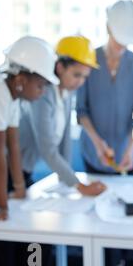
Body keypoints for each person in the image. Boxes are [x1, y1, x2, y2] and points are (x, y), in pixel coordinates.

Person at [0, 36, 58, 266]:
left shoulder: (12, 97)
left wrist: (20, 187)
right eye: (40, 85)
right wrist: (2, 207)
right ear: (21, 79)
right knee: (0, 254)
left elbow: (13, 144)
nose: (42, 92)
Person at [76, 0, 133, 266]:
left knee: (124, 223)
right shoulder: (89, 61)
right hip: (95, 154)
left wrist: (130, 148)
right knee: (100, 218)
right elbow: (81, 110)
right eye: (119, 40)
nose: (123, 47)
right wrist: (97, 142)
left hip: (130, 156)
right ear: (107, 28)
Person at [19, 35, 106, 196]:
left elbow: (65, 141)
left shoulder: (66, 93)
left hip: (24, 172)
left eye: (85, 77)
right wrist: (80, 186)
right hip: (4, 173)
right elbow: (48, 149)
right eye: (76, 75)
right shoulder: (42, 93)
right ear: (59, 67)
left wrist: (66, 183)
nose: (80, 82)